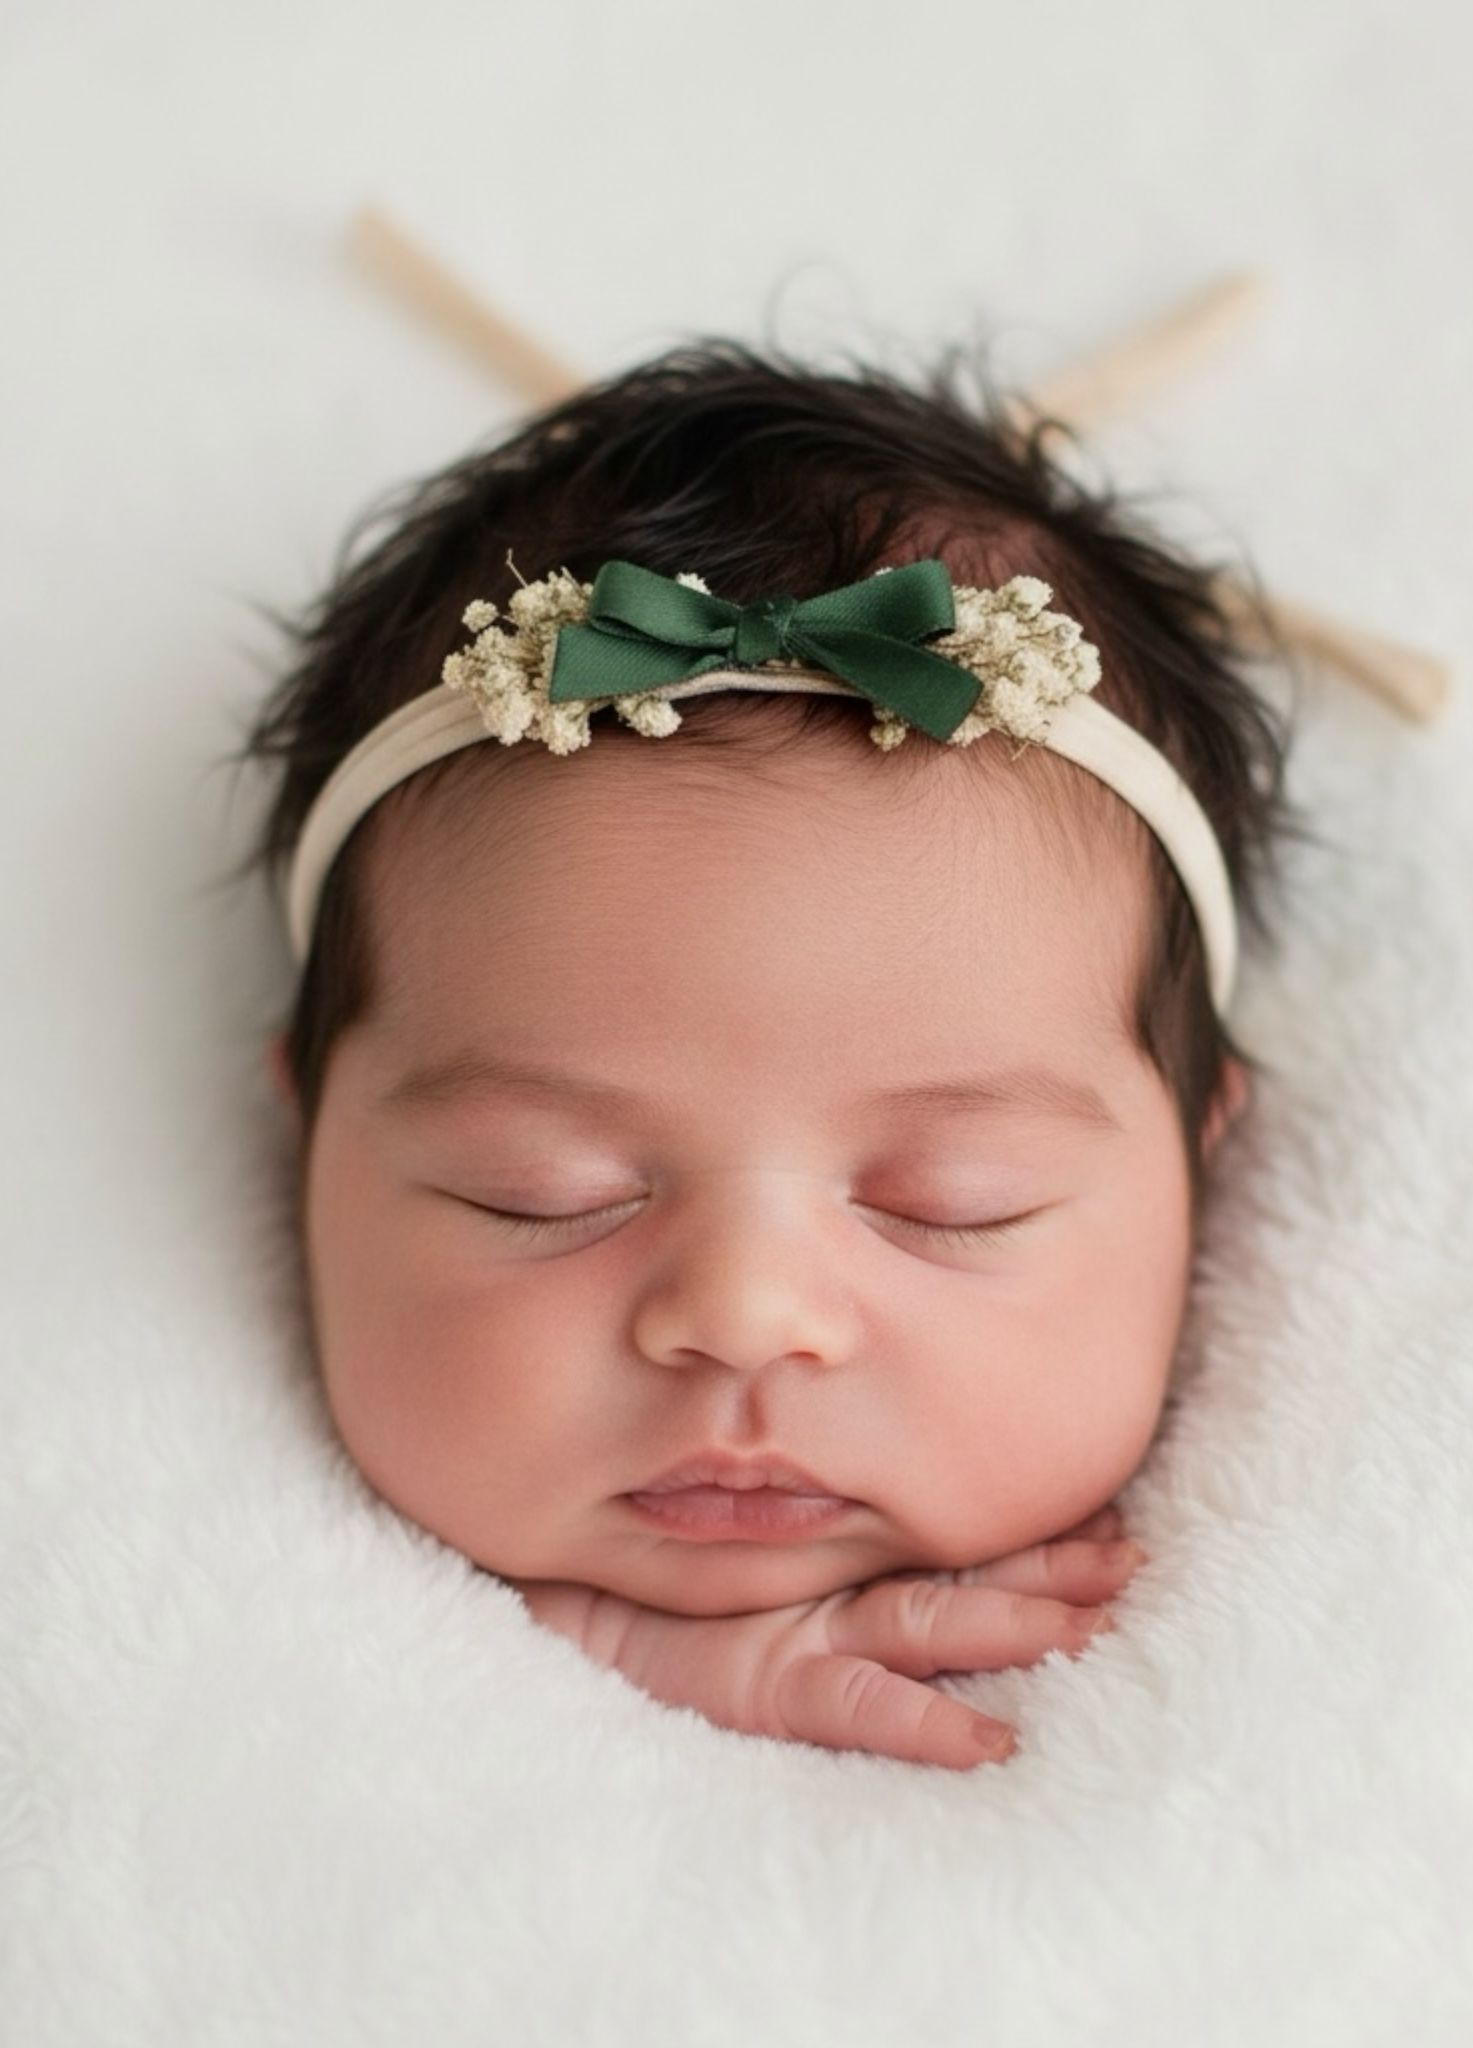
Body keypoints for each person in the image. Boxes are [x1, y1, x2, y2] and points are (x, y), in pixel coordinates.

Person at [246, 343, 1287, 1768]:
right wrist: (609, 1656)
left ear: (1201, 1154)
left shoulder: (1260, 1677)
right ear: (307, 1137)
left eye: (952, 1199)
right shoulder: (212, 1598)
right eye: (537, 1190)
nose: (743, 1316)